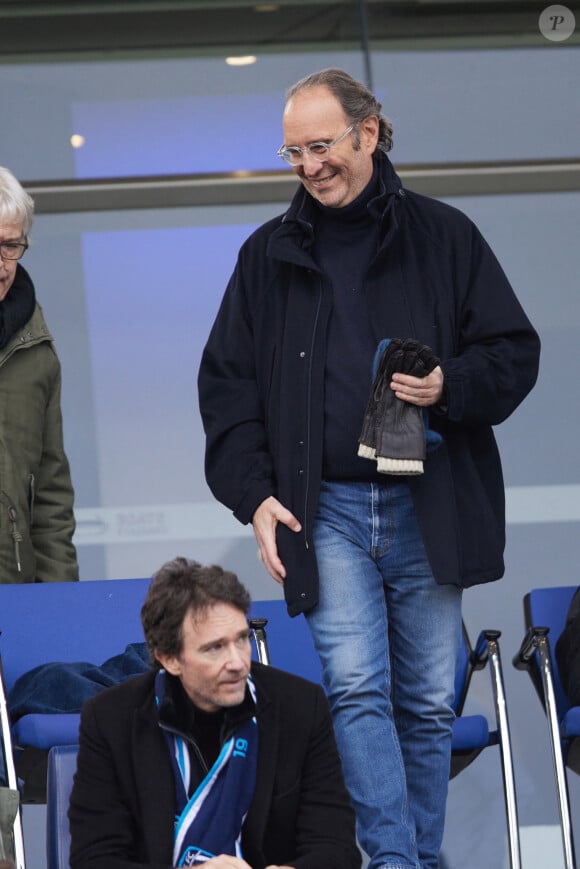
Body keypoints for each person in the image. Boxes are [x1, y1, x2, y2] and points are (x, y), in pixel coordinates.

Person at [197, 68, 541, 869]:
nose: (310, 165)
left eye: (322, 146)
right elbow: (226, 389)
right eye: (293, 152)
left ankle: (413, 856)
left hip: (430, 503)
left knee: (424, 701)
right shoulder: (266, 256)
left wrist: (450, 384)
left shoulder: (446, 235)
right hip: (328, 511)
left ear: (369, 134)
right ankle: (392, 860)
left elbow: (514, 355)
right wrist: (254, 497)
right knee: (355, 690)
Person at [68, 557, 360, 869]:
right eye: (214, 648)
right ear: (170, 659)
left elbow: (337, 849)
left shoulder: (301, 706)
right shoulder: (111, 719)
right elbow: (94, 859)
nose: (237, 662)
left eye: (241, 639)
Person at [0, 165, 78, 583]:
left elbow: (51, 497)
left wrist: (60, 604)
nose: (1, 265)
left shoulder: (38, 352)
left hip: (14, 601)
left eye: (11, 246)